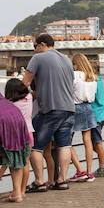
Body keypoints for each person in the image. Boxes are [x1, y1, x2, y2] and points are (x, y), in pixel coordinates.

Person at [23, 33, 76, 191]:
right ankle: (62, 180)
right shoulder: (66, 59)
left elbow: (24, 83)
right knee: (64, 145)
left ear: (42, 44)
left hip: (50, 108)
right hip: (69, 108)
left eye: (35, 47)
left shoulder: (39, 58)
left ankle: (39, 182)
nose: (34, 50)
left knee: (35, 147)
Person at [1, 80, 33, 202]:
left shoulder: (11, 103)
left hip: (12, 131)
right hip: (26, 132)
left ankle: (18, 192)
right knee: (22, 162)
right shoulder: (28, 97)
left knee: (13, 159)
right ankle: (20, 192)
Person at [69, 53, 98, 182]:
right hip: (89, 108)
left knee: (66, 140)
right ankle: (89, 171)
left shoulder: (75, 75)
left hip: (76, 107)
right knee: (87, 140)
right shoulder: (92, 77)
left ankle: (79, 169)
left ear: (75, 64)